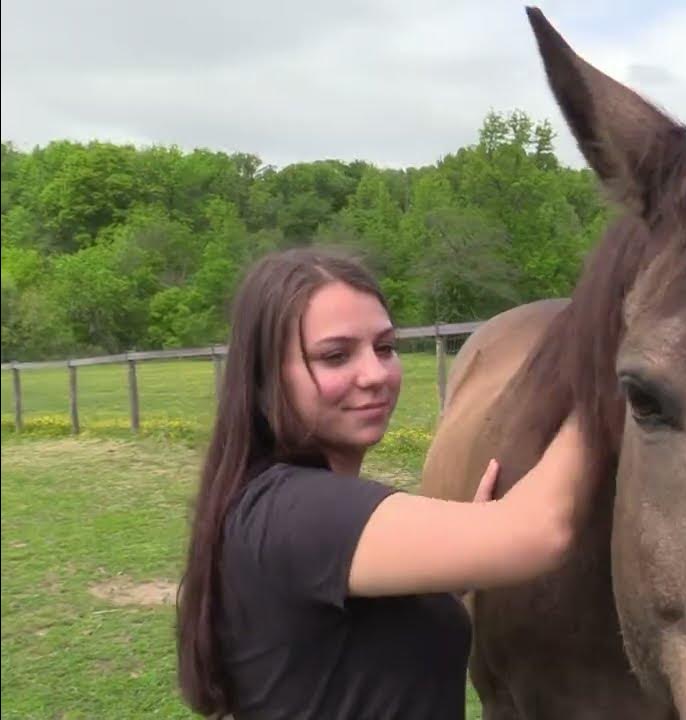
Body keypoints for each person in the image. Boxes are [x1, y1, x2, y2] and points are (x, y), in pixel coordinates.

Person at [175, 247, 596, 719]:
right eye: (336, 356)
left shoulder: (277, 505)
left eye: (385, 347)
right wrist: (605, 366)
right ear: (264, 377)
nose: (375, 375)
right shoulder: (301, 512)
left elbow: (370, 632)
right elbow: (541, 531)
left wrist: (472, 542)